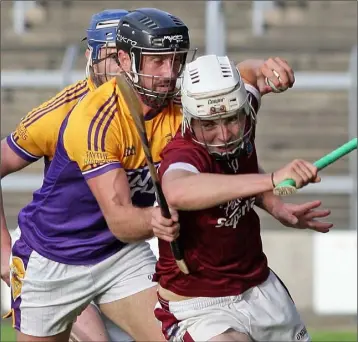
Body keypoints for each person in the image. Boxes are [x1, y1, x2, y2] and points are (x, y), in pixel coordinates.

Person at [4, 7, 297, 341]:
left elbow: (242, 81)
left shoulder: (182, 102)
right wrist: (153, 221)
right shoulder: (91, 119)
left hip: (120, 255)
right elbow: (121, 219)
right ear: (128, 61)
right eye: (157, 61)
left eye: (176, 60)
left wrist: (265, 67)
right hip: (55, 257)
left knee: (173, 334)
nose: (169, 73)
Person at [152, 55, 333, 342]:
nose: (223, 135)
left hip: (260, 288)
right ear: (190, 118)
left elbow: (249, 74)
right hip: (202, 306)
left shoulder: (244, 114)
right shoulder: (183, 152)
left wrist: (265, 67)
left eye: (230, 119)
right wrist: (272, 180)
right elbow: (177, 190)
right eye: (209, 124)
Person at [1, 9, 134, 342]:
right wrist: (2, 252)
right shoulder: (61, 112)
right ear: (90, 55)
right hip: (56, 254)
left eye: (127, 56)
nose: (121, 67)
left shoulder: (153, 106)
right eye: (112, 56)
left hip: (120, 250)